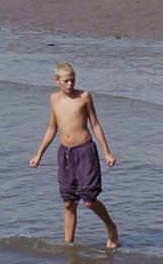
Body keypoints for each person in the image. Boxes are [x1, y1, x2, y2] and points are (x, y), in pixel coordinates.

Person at [29, 62, 119, 250]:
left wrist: (107, 152)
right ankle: (68, 247)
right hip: (65, 154)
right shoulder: (54, 99)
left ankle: (111, 228)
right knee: (69, 202)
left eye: (72, 80)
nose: (70, 84)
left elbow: (95, 125)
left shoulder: (84, 97)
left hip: (85, 152)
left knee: (89, 201)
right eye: (66, 81)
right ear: (57, 81)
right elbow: (52, 127)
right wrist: (39, 154)